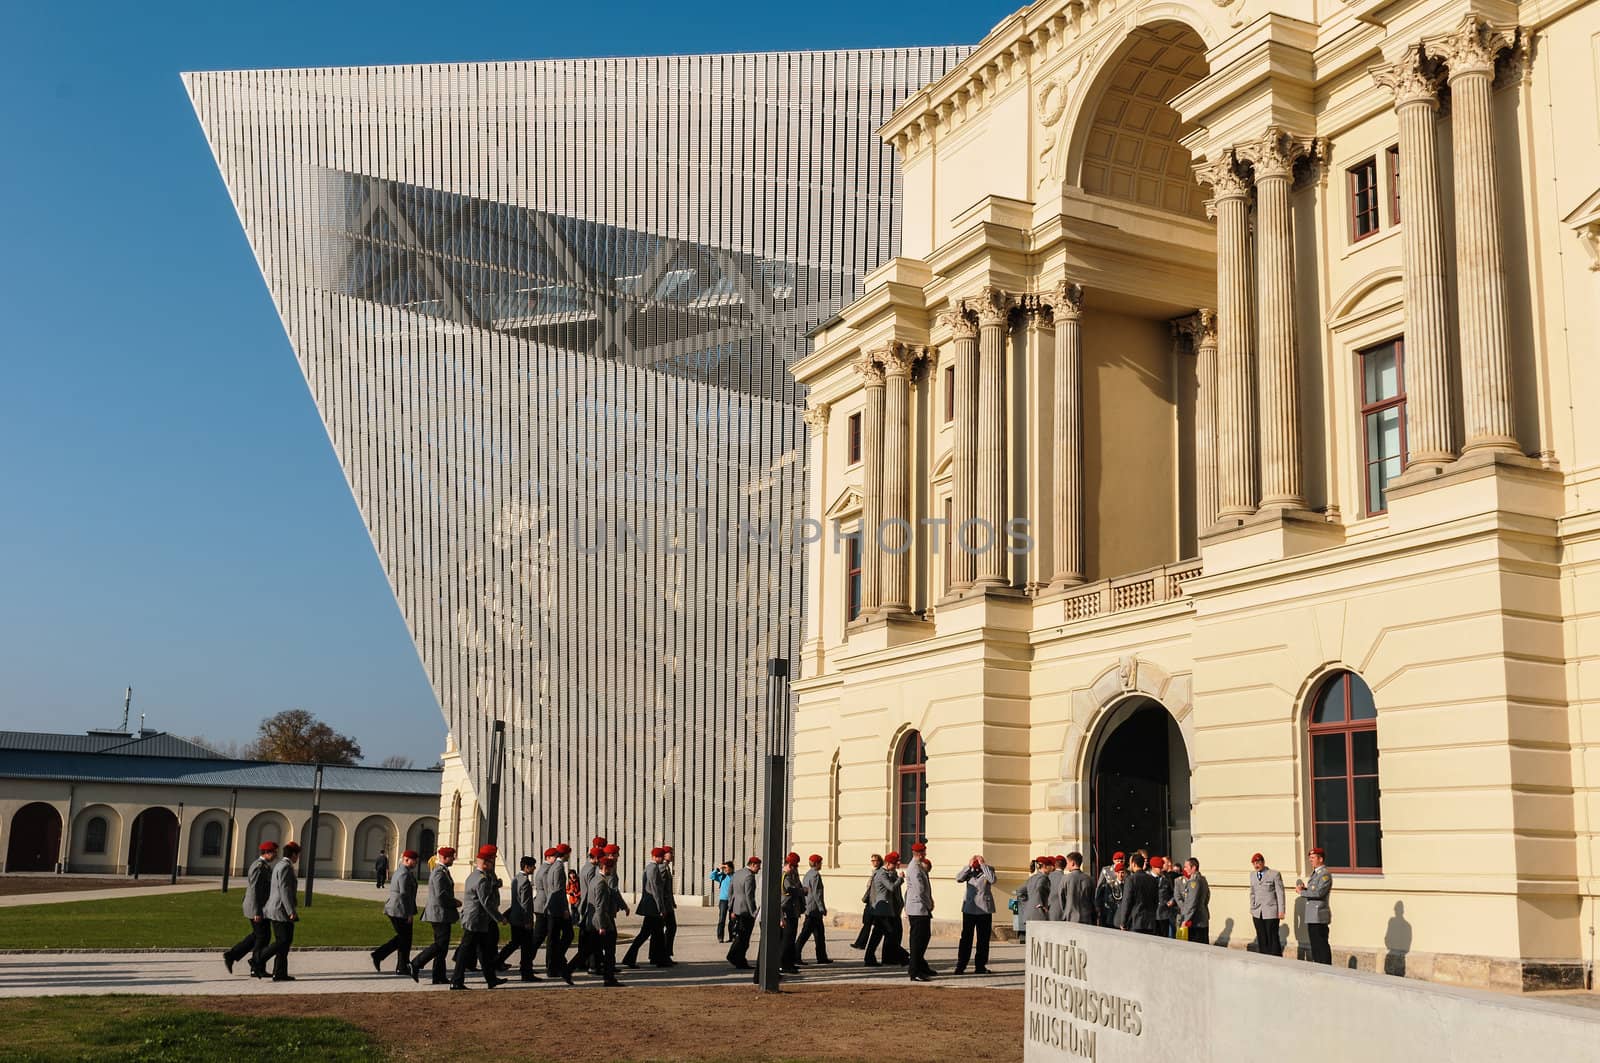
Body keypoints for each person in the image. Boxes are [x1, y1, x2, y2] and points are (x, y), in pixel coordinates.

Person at [451, 844, 507, 990]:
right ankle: (456, 981)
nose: (492, 864)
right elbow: (487, 903)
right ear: (486, 862)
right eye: (491, 861)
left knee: (483, 951)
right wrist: (500, 918)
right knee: (465, 951)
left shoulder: (474, 875)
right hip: (476, 920)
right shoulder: (481, 879)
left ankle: (491, 979)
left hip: (476, 919)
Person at [224, 840, 277, 977]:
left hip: (260, 907)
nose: (275, 855)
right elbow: (254, 890)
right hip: (256, 908)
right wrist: (257, 911)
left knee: (257, 935)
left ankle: (232, 955)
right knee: (263, 937)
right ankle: (256, 966)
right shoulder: (258, 867)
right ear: (266, 853)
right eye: (273, 852)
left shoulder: (264, 866)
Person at [410, 846, 460, 984]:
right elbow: (440, 896)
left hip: (441, 913)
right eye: (451, 857)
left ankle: (438, 976)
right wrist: (453, 902)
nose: (453, 859)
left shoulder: (443, 871)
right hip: (439, 913)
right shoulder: (439, 872)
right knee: (440, 944)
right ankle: (415, 963)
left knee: (442, 947)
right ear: (444, 858)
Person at [371, 848, 420, 975]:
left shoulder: (403, 871)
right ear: (406, 860)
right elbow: (404, 894)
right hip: (399, 910)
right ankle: (380, 956)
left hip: (398, 909)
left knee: (404, 938)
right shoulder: (404, 874)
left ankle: (401, 965)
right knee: (404, 938)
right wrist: (409, 913)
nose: (416, 863)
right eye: (414, 861)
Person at [623, 847, 670, 968]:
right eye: (661, 856)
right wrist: (661, 908)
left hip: (651, 907)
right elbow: (656, 890)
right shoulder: (653, 868)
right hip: (653, 907)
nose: (662, 859)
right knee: (646, 934)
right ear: (656, 857)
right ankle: (630, 958)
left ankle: (659, 959)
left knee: (656, 934)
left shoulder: (650, 868)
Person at [495, 855, 539, 981]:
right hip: (522, 920)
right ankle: (526, 972)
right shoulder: (525, 881)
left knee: (514, 943)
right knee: (526, 947)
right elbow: (525, 903)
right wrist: (528, 921)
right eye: (532, 866)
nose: (534, 869)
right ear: (527, 867)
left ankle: (498, 960)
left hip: (515, 917)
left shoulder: (516, 879)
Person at [263, 841, 301, 982]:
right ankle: (259, 958)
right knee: (283, 940)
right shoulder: (285, 867)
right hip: (281, 909)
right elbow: (284, 890)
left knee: (284, 942)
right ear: (294, 854)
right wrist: (291, 911)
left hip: (277, 908)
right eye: (298, 855)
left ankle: (279, 972)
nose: (298, 859)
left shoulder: (279, 865)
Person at [954, 853, 995, 975]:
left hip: (984, 910)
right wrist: (968, 866)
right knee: (966, 939)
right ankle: (961, 966)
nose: (977, 866)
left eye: (978, 863)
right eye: (975, 863)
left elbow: (992, 880)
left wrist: (983, 865)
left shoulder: (989, 870)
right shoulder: (968, 871)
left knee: (983, 940)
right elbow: (958, 878)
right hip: (970, 909)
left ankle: (980, 966)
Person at [587, 856, 624, 986]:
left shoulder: (595, 880)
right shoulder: (601, 883)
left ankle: (568, 970)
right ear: (605, 867)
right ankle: (609, 978)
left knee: (592, 949)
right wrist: (602, 925)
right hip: (603, 922)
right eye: (611, 867)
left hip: (595, 921)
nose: (612, 870)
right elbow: (600, 906)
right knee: (609, 951)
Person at [863, 851, 902, 966]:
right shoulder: (881, 874)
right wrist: (900, 879)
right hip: (881, 911)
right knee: (888, 934)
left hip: (885, 910)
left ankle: (873, 958)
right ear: (889, 863)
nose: (896, 866)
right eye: (895, 864)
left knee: (879, 935)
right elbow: (891, 887)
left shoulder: (886, 873)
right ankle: (874, 958)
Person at [903, 843, 935, 981]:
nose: (925, 854)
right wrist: (929, 904)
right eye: (923, 852)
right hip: (918, 908)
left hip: (919, 908)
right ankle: (914, 971)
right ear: (919, 853)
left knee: (923, 938)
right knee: (918, 941)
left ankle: (920, 966)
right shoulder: (915, 868)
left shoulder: (917, 866)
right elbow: (919, 890)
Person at [1297, 847, 1333, 964]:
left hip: (1319, 915)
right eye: (1310, 858)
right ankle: (1318, 965)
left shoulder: (1325, 875)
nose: (1310, 860)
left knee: (1321, 944)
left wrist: (1302, 892)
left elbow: (1319, 892)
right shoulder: (1315, 874)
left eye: (1313, 858)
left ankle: (1325, 967)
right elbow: (1313, 889)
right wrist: (1305, 888)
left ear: (1320, 859)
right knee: (1315, 944)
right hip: (1312, 915)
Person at [794, 854, 831, 964]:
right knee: (805, 934)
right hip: (814, 909)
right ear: (816, 863)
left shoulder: (808, 874)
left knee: (819, 934)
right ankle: (795, 956)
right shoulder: (815, 875)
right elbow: (817, 893)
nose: (821, 864)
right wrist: (821, 908)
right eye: (820, 862)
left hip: (810, 907)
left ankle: (822, 957)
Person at [726, 855, 760, 969]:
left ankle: (736, 957)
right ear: (753, 865)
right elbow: (749, 896)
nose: (759, 869)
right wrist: (753, 912)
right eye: (758, 867)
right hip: (746, 910)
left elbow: (730, 891)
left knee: (740, 935)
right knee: (744, 938)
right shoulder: (749, 876)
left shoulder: (737, 873)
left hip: (737, 909)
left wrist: (731, 908)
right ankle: (737, 959)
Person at [1249, 852, 1286, 957]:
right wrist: (1252, 908)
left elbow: (1280, 893)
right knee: (1261, 937)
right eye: (1254, 863)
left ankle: (1276, 959)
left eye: (1258, 862)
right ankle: (1264, 959)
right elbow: (1252, 892)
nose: (1256, 865)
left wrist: (1281, 910)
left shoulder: (1274, 874)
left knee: (1272, 937)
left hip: (1271, 911)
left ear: (1263, 862)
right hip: (1257, 912)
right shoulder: (1252, 875)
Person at [1116, 852, 1159, 934]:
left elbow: (1127, 901)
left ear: (1134, 864)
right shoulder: (1152, 880)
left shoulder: (1131, 880)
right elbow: (1156, 900)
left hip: (1135, 922)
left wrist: (1123, 922)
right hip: (1150, 922)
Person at [779, 852, 806, 974]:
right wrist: (802, 891)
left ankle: (789, 963)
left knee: (791, 938)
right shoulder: (785, 876)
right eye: (794, 866)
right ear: (789, 865)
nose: (795, 869)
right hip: (787, 911)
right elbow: (789, 890)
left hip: (793, 911)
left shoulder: (792, 875)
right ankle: (784, 964)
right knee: (787, 939)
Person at [852, 854, 884, 950]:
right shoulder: (874, 872)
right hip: (870, 902)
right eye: (872, 860)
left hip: (875, 903)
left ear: (879, 861)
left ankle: (862, 944)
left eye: (875, 860)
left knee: (873, 925)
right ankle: (860, 943)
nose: (873, 862)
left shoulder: (880, 872)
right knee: (867, 923)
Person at [1177, 857, 1210, 945]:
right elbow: (1207, 897)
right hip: (1202, 919)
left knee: (1196, 948)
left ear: (1194, 867)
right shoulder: (1203, 879)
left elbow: (1192, 903)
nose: (1184, 869)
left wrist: (1185, 920)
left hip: (1195, 922)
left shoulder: (1194, 881)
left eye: (1186, 867)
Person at [1059, 852, 1095, 924]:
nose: (1067, 865)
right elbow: (1093, 899)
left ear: (1072, 863)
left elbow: (1061, 898)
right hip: (1086, 916)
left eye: (1068, 863)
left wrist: (1066, 910)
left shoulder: (1065, 879)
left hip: (1070, 916)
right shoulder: (1089, 879)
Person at [1020, 855, 1052, 928]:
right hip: (1039, 914)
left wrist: (1028, 904)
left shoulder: (1032, 878)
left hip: (1029, 914)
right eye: (1050, 865)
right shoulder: (1044, 878)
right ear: (1044, 866)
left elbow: (1020, 891)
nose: (1051, 868)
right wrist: (1041, 904)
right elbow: (1039, 888)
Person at [659, 845, 679, 963]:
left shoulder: (667, 867)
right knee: (671, 928)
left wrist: (672, 901)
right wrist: (663, 904)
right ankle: (665, 954)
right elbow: (659, 888)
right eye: (670, 853)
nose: (672, 855)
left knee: (666, 929)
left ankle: (664, 955)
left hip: (668, 903)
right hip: (664, 905)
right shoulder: (662, 868)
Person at [1095, 858, 1125, 928]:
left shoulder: (1127, 885)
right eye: (1118, 872)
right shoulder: (1109, 885)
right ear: (1115, 873)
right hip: (1110, 916)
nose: (1120, 875)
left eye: (1122, 872)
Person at [710, 860, 735, 943]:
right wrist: (718, 868)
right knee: (721, 919)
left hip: (733, 900)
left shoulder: (735, 876)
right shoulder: (722, 876)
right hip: (723, 900)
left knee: (732, 920)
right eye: (724, 868)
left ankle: (732, 937)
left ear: (731, 868)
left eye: (727, 868)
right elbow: (712, 876)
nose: (726, 870)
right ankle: (720, 937)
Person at [1151, 857, 1175, 937]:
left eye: (1162, 867)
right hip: (1151, 914)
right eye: (1159, 868)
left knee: (1164, 938)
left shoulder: (1166, 879)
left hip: (1163, 914)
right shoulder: (1147, 878)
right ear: (1153, 867)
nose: (1161, 869)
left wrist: (1171, 900)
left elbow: (1173, 893)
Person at [1046, 854, 1067, 921]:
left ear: (1055, 864)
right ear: (1065, 866)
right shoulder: (1066, 878)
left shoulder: (1047, 876)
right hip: (1061, 912)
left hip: (1047, 910)